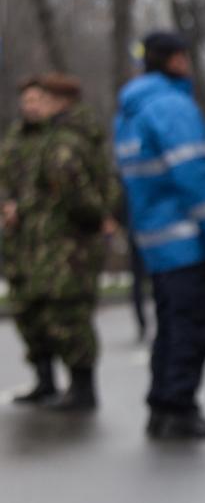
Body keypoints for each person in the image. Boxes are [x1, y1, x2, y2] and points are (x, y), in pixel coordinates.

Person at [115, 31, 205, 441]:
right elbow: (194, 175)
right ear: (177, 60)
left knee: (169, 327)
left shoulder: (129, 111)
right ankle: (180, 408)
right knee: (191, 327)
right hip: (186, 239)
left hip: (154, 239)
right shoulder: (172, 107)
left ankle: (162, 407)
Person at [0, 74, 116, 411]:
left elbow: (83, 192)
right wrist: (9, 206)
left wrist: (98, 218)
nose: (33, 107)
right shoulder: (19, 138)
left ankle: (81, 388)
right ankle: (46, 381)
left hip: (65, 243)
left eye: (40, 100)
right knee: (32, 311)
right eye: (28, 101)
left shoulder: (68, 139)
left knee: (67, 312)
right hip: (29, 241)